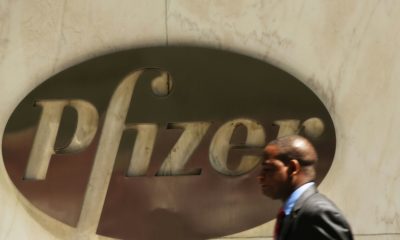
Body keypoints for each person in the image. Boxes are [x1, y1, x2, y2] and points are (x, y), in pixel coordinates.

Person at [257, 135, 353, 240]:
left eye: (268, 169)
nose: (260, 177)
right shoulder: (293, 214)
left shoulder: (318, 213)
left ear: (293, 168)